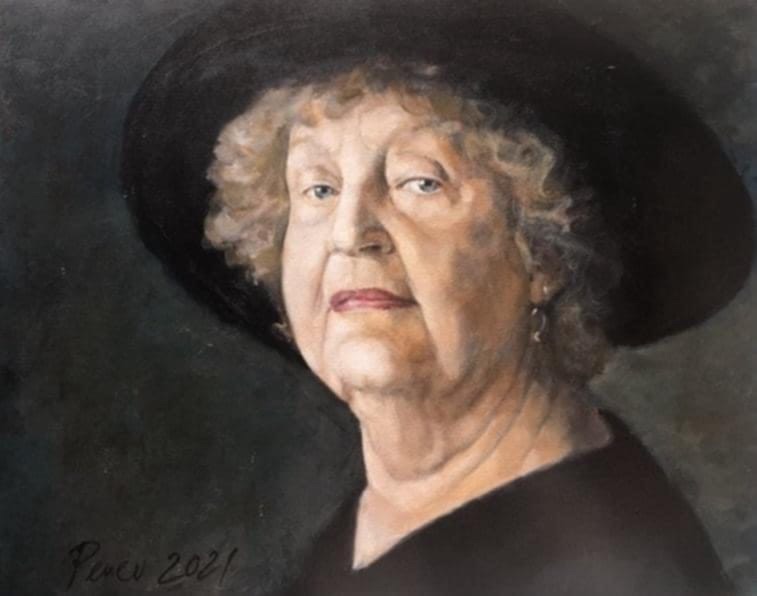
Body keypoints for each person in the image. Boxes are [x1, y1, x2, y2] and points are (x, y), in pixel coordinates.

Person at [121, 1, 753, 594]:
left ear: (544, 253)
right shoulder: (375, 525)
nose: (350, 233)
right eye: (318, 190)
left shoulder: (606, 567)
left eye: (419, 182)